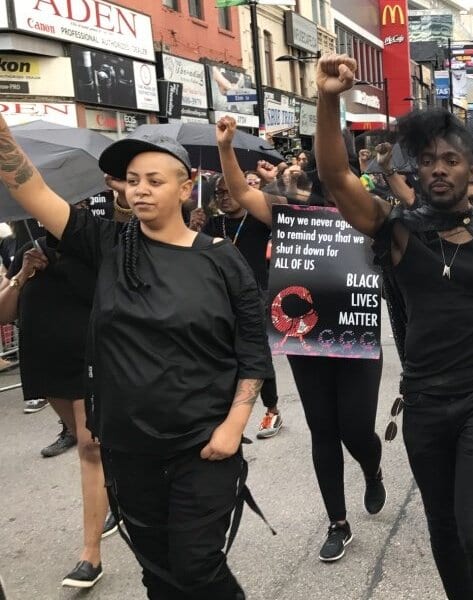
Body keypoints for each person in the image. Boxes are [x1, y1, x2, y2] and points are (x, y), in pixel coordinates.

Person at [0, 116, 275, 599]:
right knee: (160, 575)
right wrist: (3, 141)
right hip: (129, 451)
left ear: (186, 187)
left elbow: (252, 349)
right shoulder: (107, 245)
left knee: (196, 567)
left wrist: (235, 424)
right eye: (132, 182)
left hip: (203, 446)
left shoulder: (219, 259)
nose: (140, 191)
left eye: (154, 180)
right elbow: (33, 190)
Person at [315, 54, 473, 600]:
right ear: (416, 168)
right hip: (423, 404)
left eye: (451, 160)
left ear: (470, 170)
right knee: (442, 528)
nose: (439, 168)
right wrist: (327, 99)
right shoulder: (398, 233)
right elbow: (335, 176)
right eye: (430, 160)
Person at [214, 116, 387, 562]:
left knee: (355, 429)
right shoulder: (291, 211)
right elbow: (241, 193)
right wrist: (227, 148)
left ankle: (372, 466)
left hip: (354, 339)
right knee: (322, 431)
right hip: (305, 339)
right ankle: (337, 522)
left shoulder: (372, 209)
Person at [0, 222, 114, 588]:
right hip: (45, 361)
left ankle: (90, 555)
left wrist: (61, 266)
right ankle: (119, 492)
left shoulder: (93, 239)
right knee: (96, 445)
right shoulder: (26, 248)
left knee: (90, 447)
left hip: (87, 356)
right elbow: (5, 313)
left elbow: (102, 294)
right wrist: (23, 273)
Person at [189, 174, 282, 440]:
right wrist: (192, 229)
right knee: (224, 354)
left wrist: (267, 183)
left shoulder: (257, 219)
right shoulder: (212, 223)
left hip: (256, 295)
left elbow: (281, 214)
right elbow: (193, 255)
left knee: (258, 354)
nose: (224, 197)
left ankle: (272, 409)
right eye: (219, 193)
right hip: (219, 297)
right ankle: (223, 415)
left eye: (229, 191)